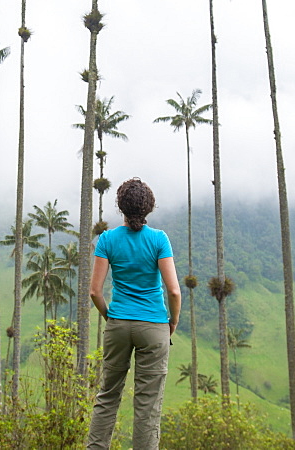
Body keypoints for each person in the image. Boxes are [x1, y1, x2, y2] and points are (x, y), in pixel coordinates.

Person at [86, 178, 182, 450]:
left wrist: (112, 317)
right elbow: (174, 291)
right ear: (149, 208)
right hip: (154, 327)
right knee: (147, 402)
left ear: (121, 207)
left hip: (118, 324)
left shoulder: (107, 239)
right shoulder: (159, 240)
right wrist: (171, 322)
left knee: (107, 395)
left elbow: (95, 292)